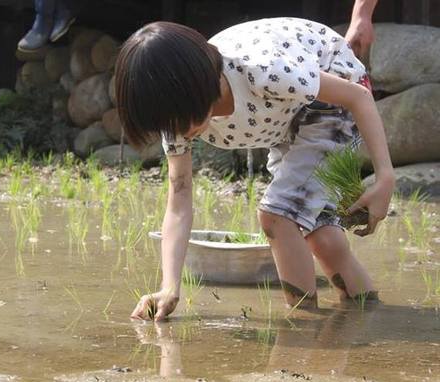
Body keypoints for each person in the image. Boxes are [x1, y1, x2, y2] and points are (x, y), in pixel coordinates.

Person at [116, 17, 395, 321]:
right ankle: (369, 317)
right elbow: (179, 199)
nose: (177, 133)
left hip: (334, 88)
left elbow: (358, 96)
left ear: (198, 87)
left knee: (278, 215)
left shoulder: (263, 72)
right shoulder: (177, 117)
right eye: (166, 126)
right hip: (289, 120)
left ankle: (302, 328)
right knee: (321, 237)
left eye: (180, 121)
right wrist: (169, 287)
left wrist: (385, 178)